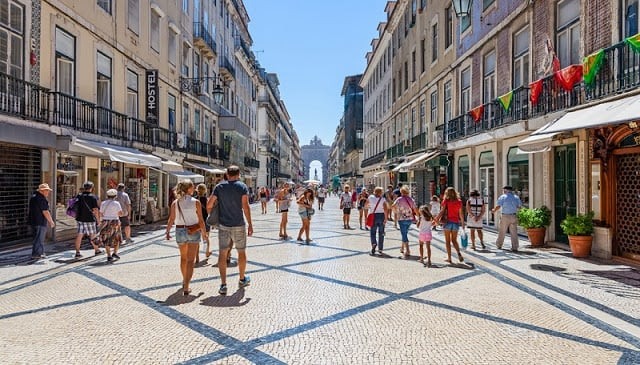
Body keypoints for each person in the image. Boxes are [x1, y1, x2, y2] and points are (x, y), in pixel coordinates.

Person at [207, 166, 253, 296]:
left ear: (227, 174)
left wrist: (214, 215)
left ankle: (223, 284)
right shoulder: (242, 187)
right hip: (238, 224)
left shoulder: (219, 187)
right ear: (238, 174)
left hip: (223, 225)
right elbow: (245, 206)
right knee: (241, 252)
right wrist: (250, 224)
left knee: (222, 254)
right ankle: (242, 279)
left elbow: (209, 205)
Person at [166, 179, 207, 296]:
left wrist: (168, 231)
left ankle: (185, 280)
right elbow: (201, 219)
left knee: (183, 258)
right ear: (188, 189)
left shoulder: (176, 202)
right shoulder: (196, 202)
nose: (194, 189)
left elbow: (171, 218)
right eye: (192, 187)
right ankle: (187, 285)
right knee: (190, 260)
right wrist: (204, 233)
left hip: (179, 230)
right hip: (193, 231)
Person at [73, 181, 102, 259]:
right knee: (92, 235)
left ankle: (77, 252)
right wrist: (98, 220)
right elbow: (95, 210)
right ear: (91, 188)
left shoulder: (79, 196)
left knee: (79, 235)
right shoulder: (93, 197)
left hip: (80, 219)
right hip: (89, 219)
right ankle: (96, 250)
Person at [27, 183, 55, 260]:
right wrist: (51, 221)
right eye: (47, 191)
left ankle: (40, 252)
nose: (48, 192)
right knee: (39, 238)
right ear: (42, 191)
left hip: (33, 220)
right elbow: (45, 211)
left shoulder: (33, 197)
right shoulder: (42, 199)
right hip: (40, 221)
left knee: (37, 238)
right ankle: (37, 254)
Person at [438, 187, 465, 263]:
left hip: (447, 223)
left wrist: (436, 219)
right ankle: (459, 253)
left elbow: (441, 212)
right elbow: (461, 214)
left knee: (447, 241)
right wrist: (462, 223)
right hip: (455, 223)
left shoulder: (445, 201)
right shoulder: (459, 202)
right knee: (454, 240)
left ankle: (449, 258)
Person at [492, 185, 523, 252]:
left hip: (505, 216)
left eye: (504, 190)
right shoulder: (516, 197)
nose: (503, 191)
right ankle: (515, 247)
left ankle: (499, 244)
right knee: (514, 232)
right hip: (513, 216)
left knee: (502, 231)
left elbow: (498, 206)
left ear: (505, 190)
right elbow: (519, 207)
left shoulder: (503, 197)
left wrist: (494, 210)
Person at [392, 186, 418, 259]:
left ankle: (408, 250)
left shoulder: (399, 199)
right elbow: (415, 208)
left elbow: (393, 206)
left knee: (404, 234)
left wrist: (396, 211)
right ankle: (402, 248)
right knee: (405, 233)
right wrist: (419, 216)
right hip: (409, 219)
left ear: (401, 192)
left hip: (401, 219)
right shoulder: (411, 199)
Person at [98, 189, 123, 263]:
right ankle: (115, 252)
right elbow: (121, 213)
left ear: (107, 195)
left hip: (105, 222)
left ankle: (109, 255)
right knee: (117, 237)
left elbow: (101, 213)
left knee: (106, 238)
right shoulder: (116, 203)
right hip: (115, 221)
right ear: (115, 196)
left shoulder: (103, 203)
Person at [368, 186, 388, 255]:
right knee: (381, 233)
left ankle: (374, 243)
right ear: (381, 192)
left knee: (373, 232)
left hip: (373, 215)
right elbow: (385, 209)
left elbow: (365, 205)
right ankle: (380, 249)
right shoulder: (383, 199)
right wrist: (385, 218)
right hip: (381, 216)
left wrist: (370, 207)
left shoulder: (370, 197)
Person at [196, 183, 212, 263]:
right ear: (205, 190)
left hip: (196, 221)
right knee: (206, 238)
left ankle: (197, 257)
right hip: (205, 220)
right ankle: (207, 252)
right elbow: (209, 210)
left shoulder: (195, 199)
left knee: (196, 239)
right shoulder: (206, 199)